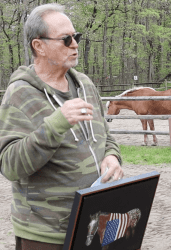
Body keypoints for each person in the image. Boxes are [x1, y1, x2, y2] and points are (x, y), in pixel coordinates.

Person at [0, 3, 123, 249]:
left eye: (76, 37)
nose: (75, 44)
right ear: (39, 46)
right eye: (66, 39)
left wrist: (112, 155)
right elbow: (9, 165)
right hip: (46, 234)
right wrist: (56, 124)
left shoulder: (86, 84)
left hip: (96, 222)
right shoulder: (20, 94)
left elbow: (105, 136)